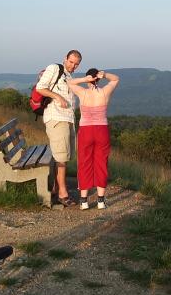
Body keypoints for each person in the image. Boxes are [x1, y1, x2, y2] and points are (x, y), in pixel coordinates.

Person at [64, 69, 120, 210]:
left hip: (86, 131)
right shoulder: (104, 92)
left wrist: (84, 79)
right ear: (98, 80)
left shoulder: (83, 93)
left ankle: (84, 201)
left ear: (89, 79)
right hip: (102, 130)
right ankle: (100, 201)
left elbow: (69, 82)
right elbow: (116, 79)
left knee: (84, 163)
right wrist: (105, 74)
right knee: (101, 163)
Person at [34, 50, 82, 208]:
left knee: (63, 156)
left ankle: (56, 188)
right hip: (56, 118)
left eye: (76, 64)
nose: (73, 65)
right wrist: (58, 97)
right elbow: (41, 87)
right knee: (61, 158)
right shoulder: (55, 68)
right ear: (65, 59)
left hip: (67, 119)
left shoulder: (69, 76)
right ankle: (62, 193)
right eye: (71, 62)